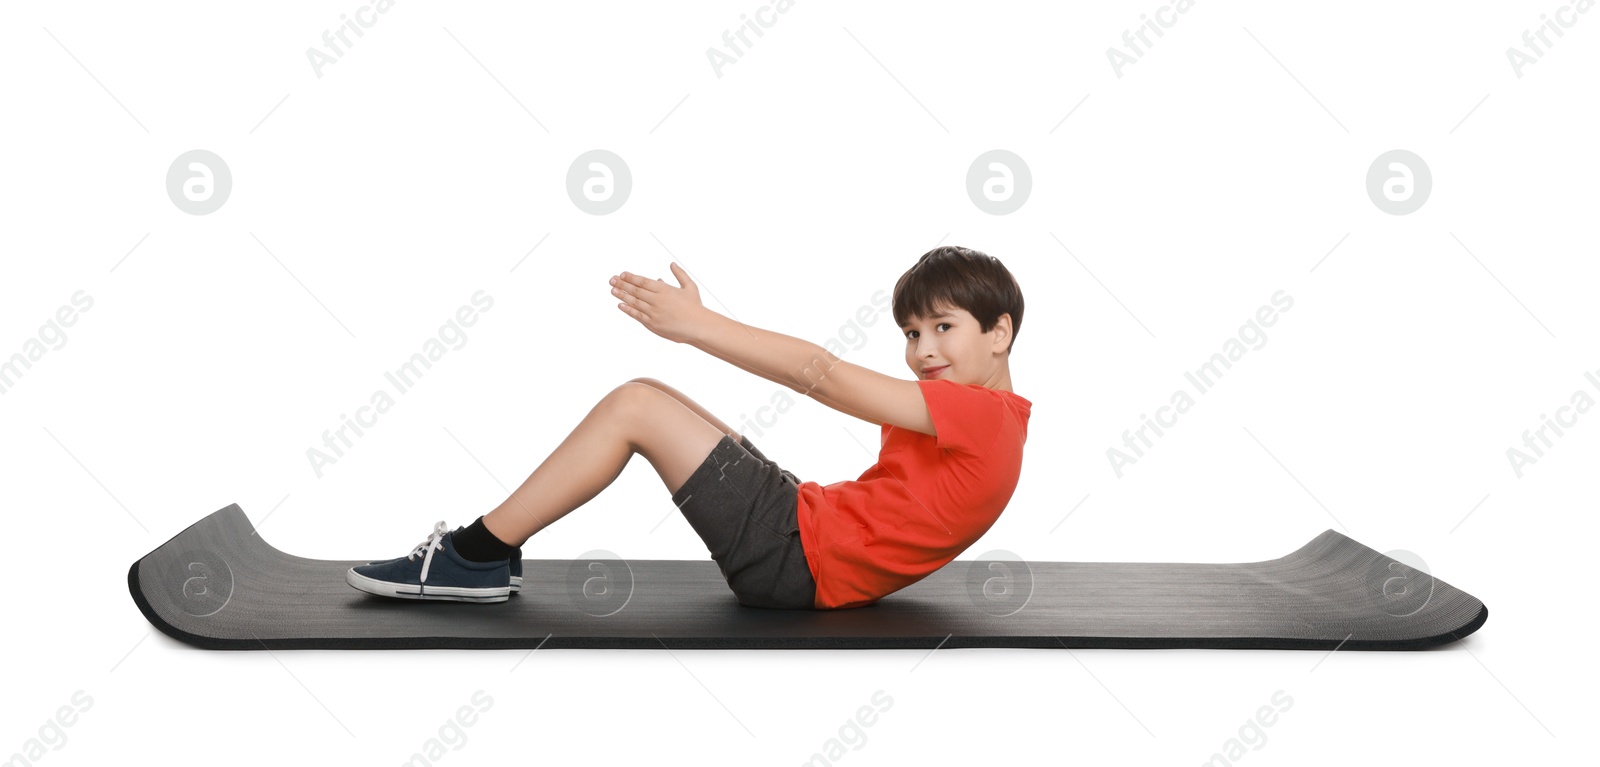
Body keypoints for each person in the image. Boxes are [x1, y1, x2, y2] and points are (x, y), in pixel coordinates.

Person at [345, 245, 1030, 609]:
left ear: (1000, 333)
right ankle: (487, 554)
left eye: (944, 327)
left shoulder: (979, 414)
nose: (923, 350)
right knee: (651, 394)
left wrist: (698, 326)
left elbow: (819, 374)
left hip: (796, 559)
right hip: (807, 525)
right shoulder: (988, 417)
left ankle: (473, 556)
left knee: (633, 409)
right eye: (912, 332)